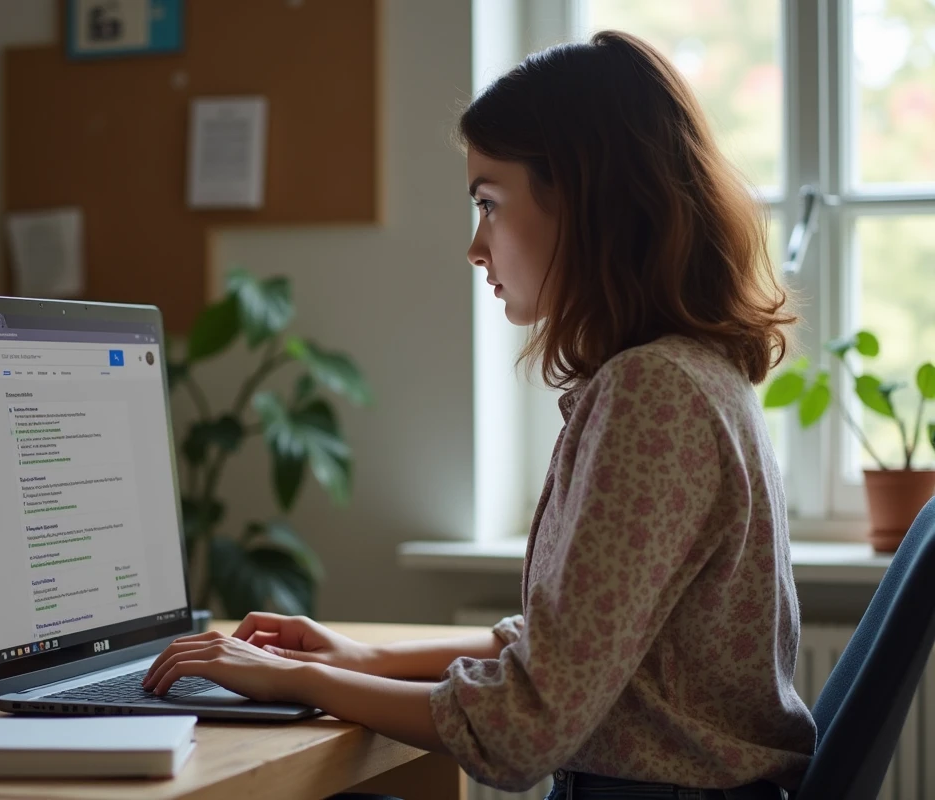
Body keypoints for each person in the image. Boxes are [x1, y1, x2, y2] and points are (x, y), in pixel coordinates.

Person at [142, 30, 817, 800]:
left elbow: (521, 728)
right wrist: (356, 659)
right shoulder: (689, 372)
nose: (475, 245)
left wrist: (293, 682)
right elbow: (568, 649)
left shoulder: (654, 395)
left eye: (491, 204)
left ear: (586, 200)